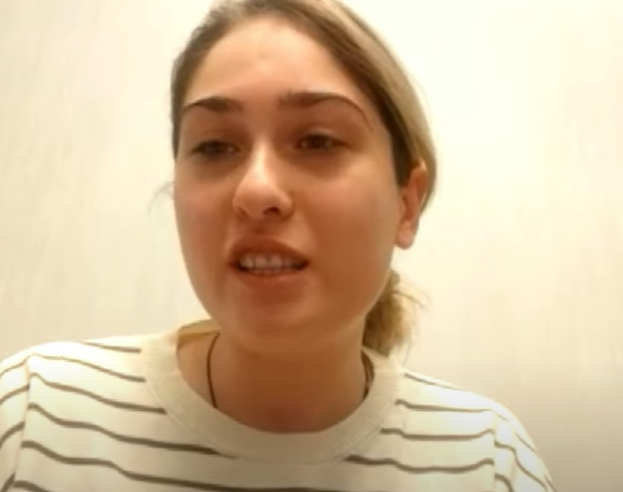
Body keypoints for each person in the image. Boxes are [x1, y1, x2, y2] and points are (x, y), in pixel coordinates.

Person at [0, 0, 556, 490]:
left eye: (317, 140)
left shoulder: (487, 460)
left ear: (406, 205)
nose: (256, 190)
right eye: (215, 146)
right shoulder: (34, 418)